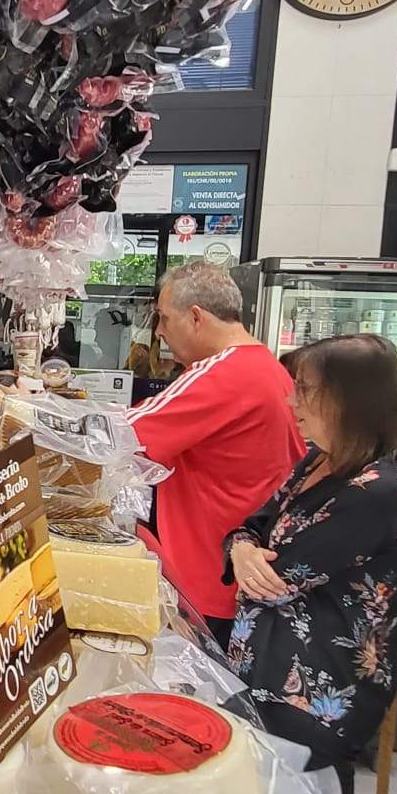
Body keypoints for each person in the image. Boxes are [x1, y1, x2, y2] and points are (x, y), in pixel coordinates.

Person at [225, 336, 397, 794]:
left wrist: (246, 553)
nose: (292, 402)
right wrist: (244, 545)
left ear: (351, 400)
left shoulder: (383, 489)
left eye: (306, 390)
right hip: (268, 667)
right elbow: (253, 524)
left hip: (321, 687)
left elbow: (282, 573)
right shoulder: (319, 461)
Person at [128, 261, 305, 642]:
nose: (158, 332)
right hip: (236, 576)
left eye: (163, 319)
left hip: (211, 581)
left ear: (195, 317)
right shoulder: (264, 365)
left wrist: (28, 410)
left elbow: (121, 435)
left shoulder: (225, 372)